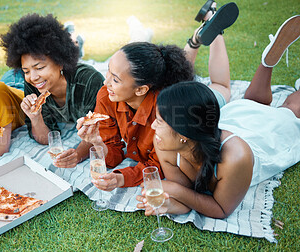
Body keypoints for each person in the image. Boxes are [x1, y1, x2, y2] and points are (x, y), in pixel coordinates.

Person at [137, 15, 300, 219]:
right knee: (251, 104)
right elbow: (189, 197)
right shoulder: (165, 143)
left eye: (159, 121)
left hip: (260, 139)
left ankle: (269, 64)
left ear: (183, 133)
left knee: (289, 110)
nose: (152, 127)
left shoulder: (236, 157)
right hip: (235, 118)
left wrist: (175, 191)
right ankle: (266, 62)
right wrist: (167, 204)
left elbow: (221, 209)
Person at [77, 1, 238, 191]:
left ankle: (214, 28)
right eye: (108, 73)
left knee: (221, 87)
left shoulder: (168, 114)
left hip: (190, 100)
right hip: (171, 87)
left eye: (115, 79)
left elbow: (161, 164)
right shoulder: (106, 96)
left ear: (141, 89)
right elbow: (113, 153)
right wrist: (96, 141)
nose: (105, 84)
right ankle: (194, 41)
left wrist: (122, 178)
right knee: (179, 70)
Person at [0, 13, 104, 168]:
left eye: (39, 67)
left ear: (60, 62)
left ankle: (75, 42)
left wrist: (78, 154)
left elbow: (102, 130)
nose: (33, 77)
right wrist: (35, 117)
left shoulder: (89, 80)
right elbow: (46, 139)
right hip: (13, 81)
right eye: (26, 71)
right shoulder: (32, 85)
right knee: (10, 79)